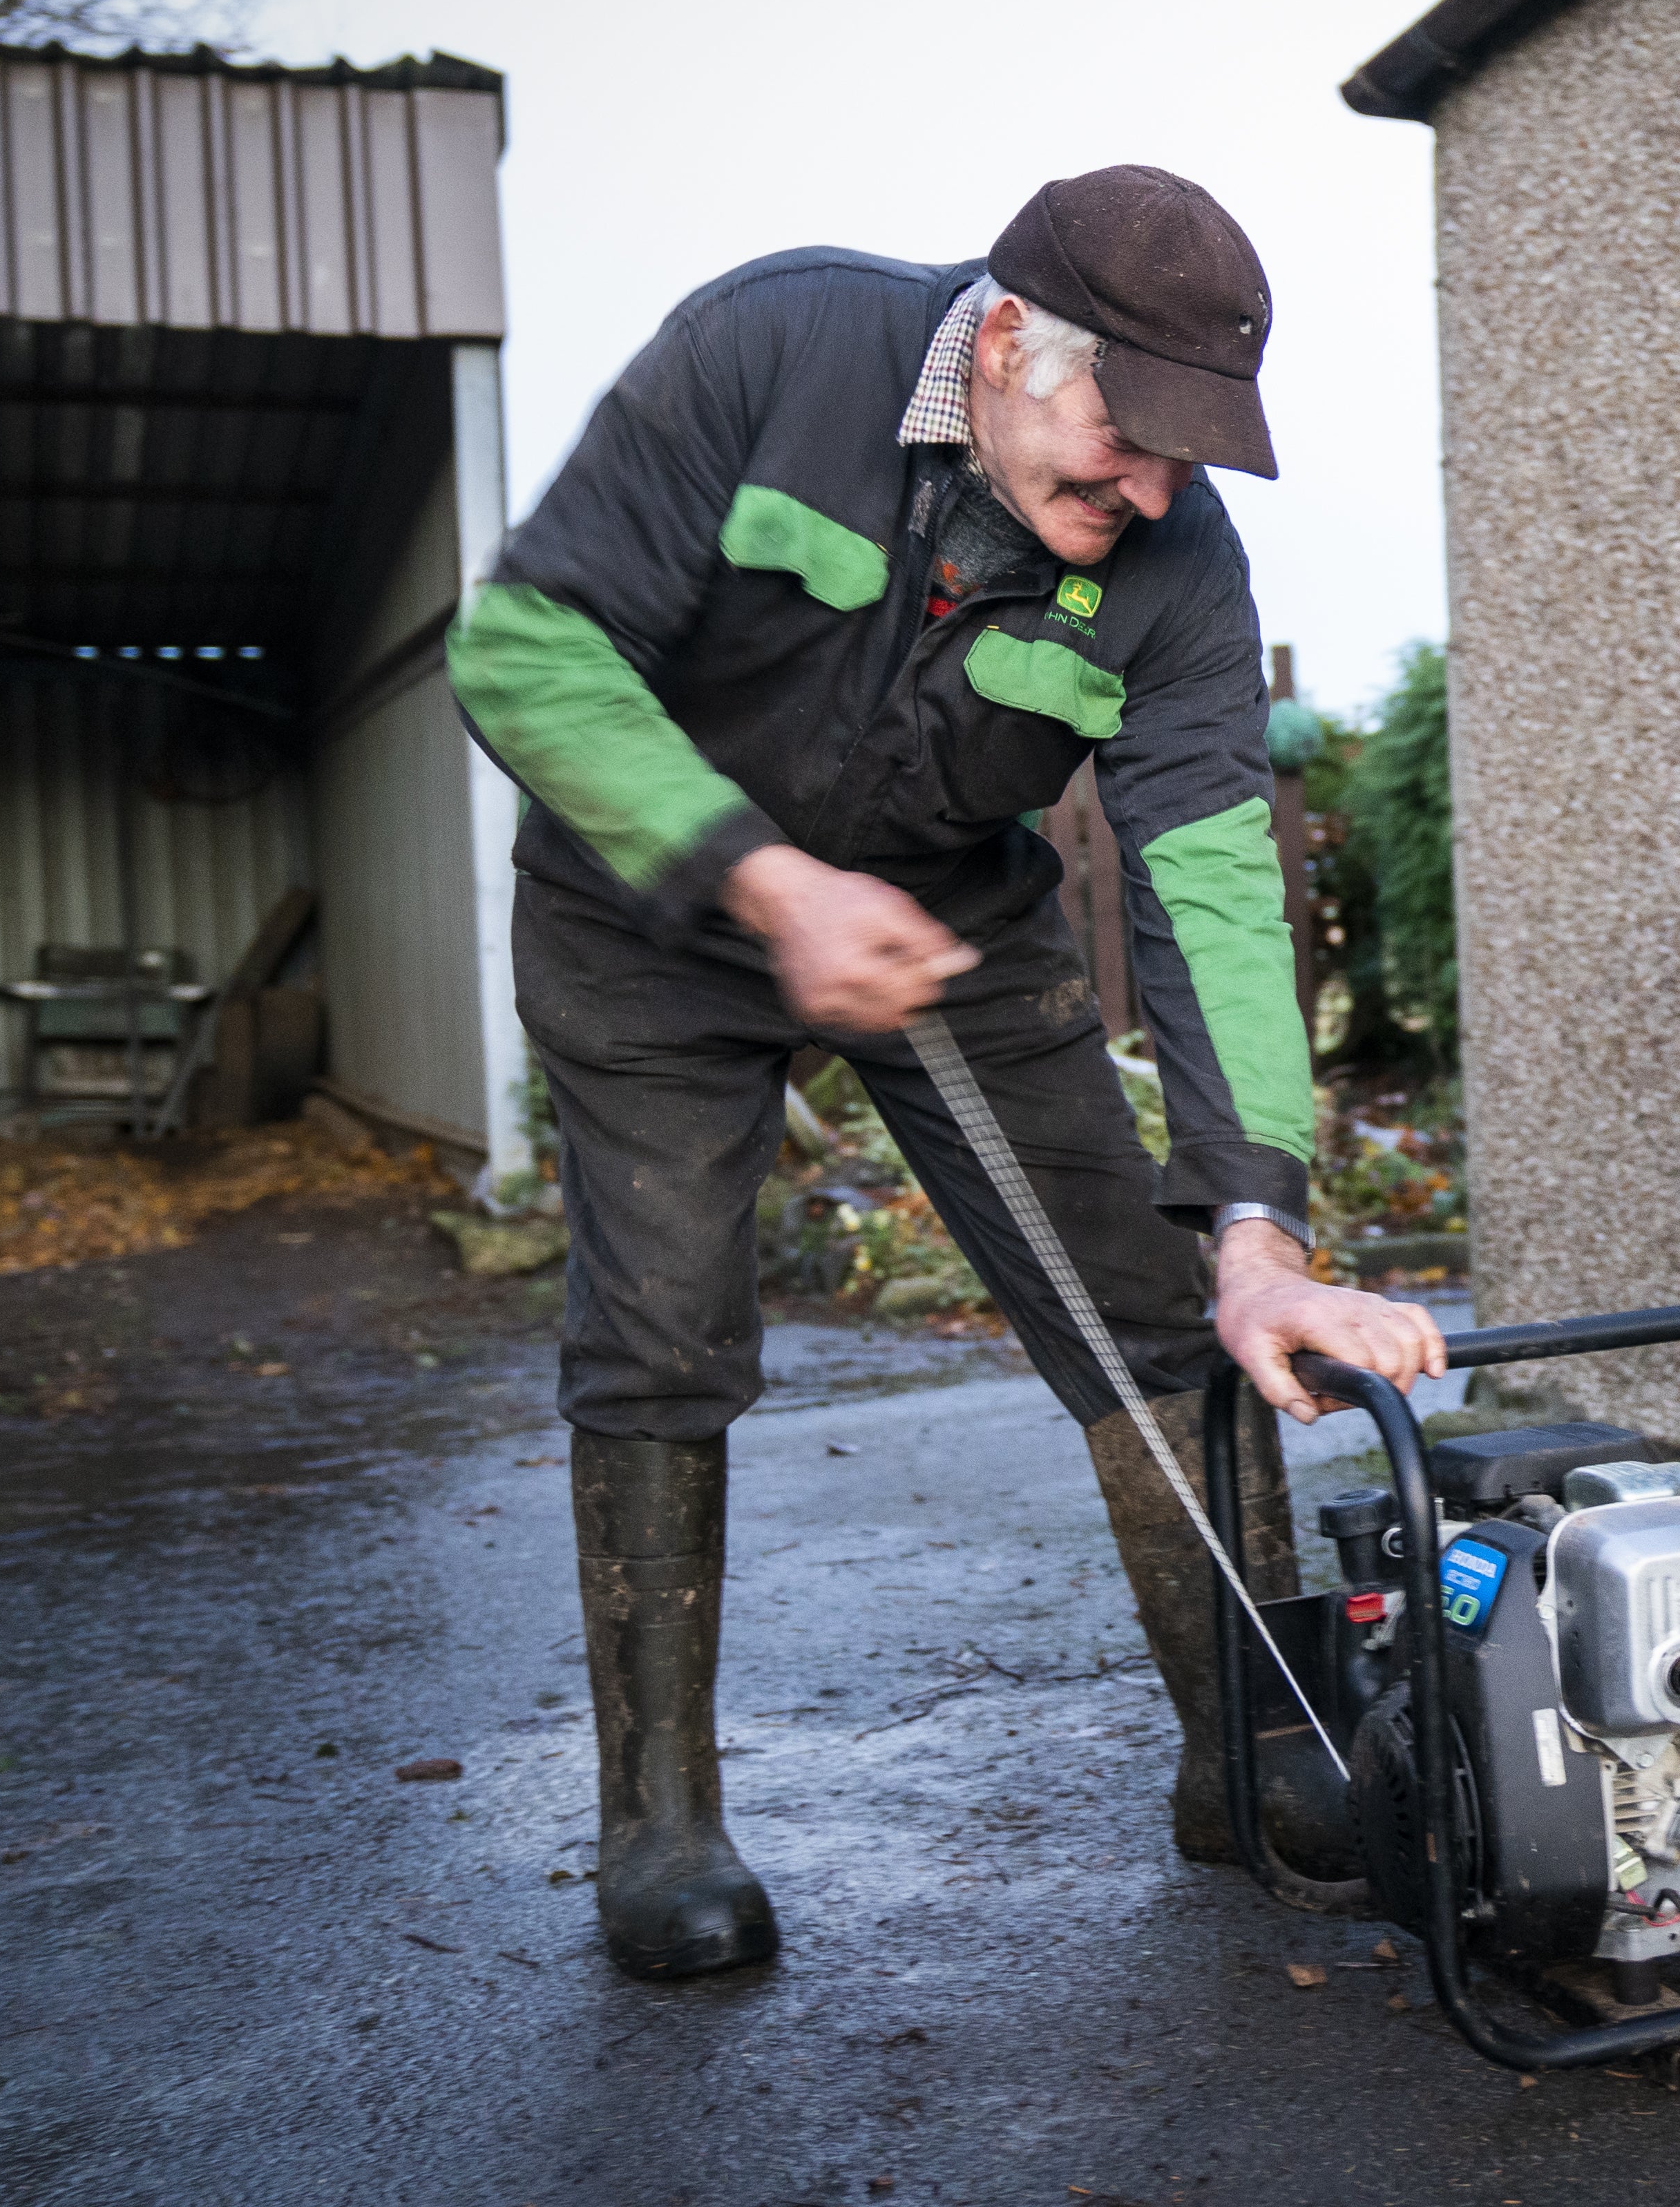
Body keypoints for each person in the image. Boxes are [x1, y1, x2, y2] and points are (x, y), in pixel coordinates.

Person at [446, 165, 1442, 1980]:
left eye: (1187, 454)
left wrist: (1256, 1212)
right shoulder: (774, 353)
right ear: (1000, 346)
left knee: (1157, 1312)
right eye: (1124, 436)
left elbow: (1210, 868)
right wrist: (760, 879)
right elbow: (523, 647)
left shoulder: (1176, 560)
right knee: (662, 1327)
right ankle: (660, 1822)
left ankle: (1250, 1755)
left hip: (949, 925)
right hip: (651, 905)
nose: (1148, 489)